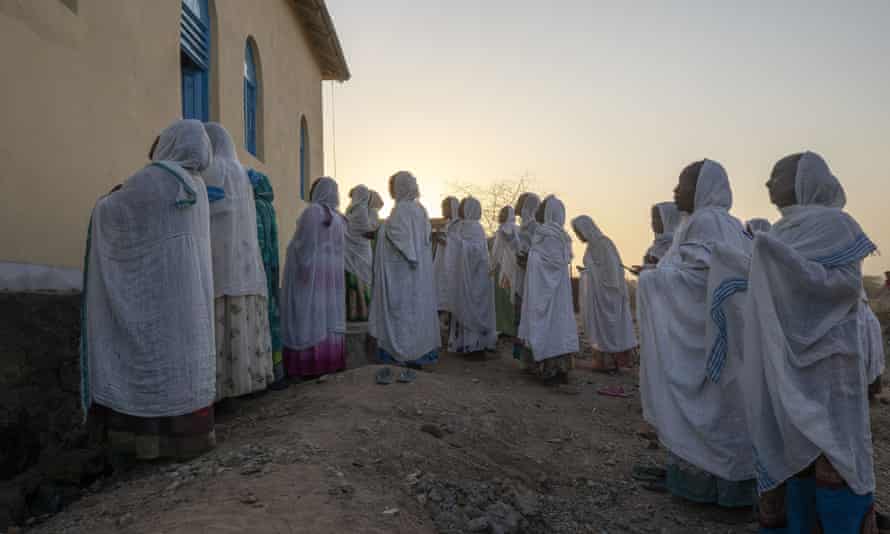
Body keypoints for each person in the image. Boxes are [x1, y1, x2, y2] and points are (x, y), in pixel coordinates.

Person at [740, 152, 878, 532]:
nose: (768, 183)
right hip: (784, 361)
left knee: (834, 454)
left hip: (831, 360)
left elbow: (845, 287)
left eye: (777, 175)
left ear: (804, 180)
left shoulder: (837, 226)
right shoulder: (779, 232)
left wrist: (775, 256)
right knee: (792, 450)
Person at [82, 119, 216, 460]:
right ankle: (189, 439)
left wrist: (105, 202)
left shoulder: (153, 178)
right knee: (181, 362)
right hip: (189, 298)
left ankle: (148, 445)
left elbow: (113, 214)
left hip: (160, 292)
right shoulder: (196, 185)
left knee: (156, 361)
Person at [637, 159, 755, 507]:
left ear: (704, 188)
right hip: (724, 339)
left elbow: (701, 279)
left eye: (683, 183)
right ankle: (725, 490)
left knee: (710, 411)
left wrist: (652, 279)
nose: (676, 191)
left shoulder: (709, 221)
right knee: (723, 411)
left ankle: (710, 492)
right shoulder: (721, 224)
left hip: (707, 337)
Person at [203, 123, 273, 402]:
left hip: (219, 256)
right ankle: (246, 382)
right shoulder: (243, 172)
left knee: (220, 318)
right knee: (241, 318)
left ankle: (219, 389)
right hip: (244, 259)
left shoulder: (212, 169)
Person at [368, 171, 440, 368]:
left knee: (401, 315)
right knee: (416, 313)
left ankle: (401, 355)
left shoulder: (400, 211)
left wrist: (380, 230)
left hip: (401, 275)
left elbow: (398, 238)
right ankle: (418, 356)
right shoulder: (421, 210)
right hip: (418, 277)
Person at [281, 177, 347, 379]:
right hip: (331, 276)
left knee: (309, 315)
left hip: (313, 274)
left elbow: (303, 246)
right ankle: (330, 361)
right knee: (327, 315)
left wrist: (291, 252)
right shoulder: (339, 218)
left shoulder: (313, 212)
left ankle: (309, 365)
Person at [516, 195, 579, 383]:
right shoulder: (556, 235)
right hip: (554, 294)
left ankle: (553, 371)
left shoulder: (550, 235)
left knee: (550, 327)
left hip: (549, 294)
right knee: (556, 327)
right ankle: (556, 370)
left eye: (542, 208)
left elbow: (548, 266)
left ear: (550, 212)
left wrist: (530, 259)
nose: (538, 211)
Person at [572, 216, 637, 372]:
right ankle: (601, 360)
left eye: (578, 231)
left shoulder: (604, 243)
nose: (578, 235)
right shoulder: (592, 247)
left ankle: (615, 362)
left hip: (609, 297)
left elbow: (613, 273)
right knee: (600, 327)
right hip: (599, 297)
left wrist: (590, 273)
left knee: (612, 327)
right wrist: (588, 272)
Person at [247, 168, 286, 389]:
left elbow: (259, 245)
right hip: (272, 270)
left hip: (259, 271)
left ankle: (261, 373)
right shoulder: (269, 208)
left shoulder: (254, 208)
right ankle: (276, 370)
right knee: (273, 318)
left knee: (259, 319)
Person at [448, 197, 497, 354]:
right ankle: (466, 344)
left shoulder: (474, 228)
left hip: (477, 277)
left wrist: (457, 242)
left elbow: (476, 252)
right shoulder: (464, 227)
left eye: (463, 206)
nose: (460, 209)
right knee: (466, 308)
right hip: (468, 276)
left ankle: (476, 346)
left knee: (475, 308)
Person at [512, 192, 542, 362]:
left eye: (520, 203)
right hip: (520, 275)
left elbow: (538, 252)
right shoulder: (521, 227)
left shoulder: (536, 228)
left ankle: (531, 357)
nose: (517, 206)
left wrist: (527, 257)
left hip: (531, 279)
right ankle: (523, 358)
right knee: (519, 314)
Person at [344, 185, 376, 322]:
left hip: (350, 254)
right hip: (362, 252)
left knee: (353, 284)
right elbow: (368, 231)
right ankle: (363, 313)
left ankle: (352, 313)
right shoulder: (362, 211)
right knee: (363, 282)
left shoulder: (349, 211)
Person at [490, 205, 520, 337]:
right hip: (515, 268)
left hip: (502, 268)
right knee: (513, 298)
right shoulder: (518, 228)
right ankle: (514, 329)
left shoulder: (502, 229)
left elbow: (496, 251)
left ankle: (505, 328)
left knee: (502, 300)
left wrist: (491, 267)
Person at [642, 202, 681, 268]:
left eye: (658, 218)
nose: (653, 222)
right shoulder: (653, 248)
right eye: (653, 218)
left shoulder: (678, 245)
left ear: (669, 219)